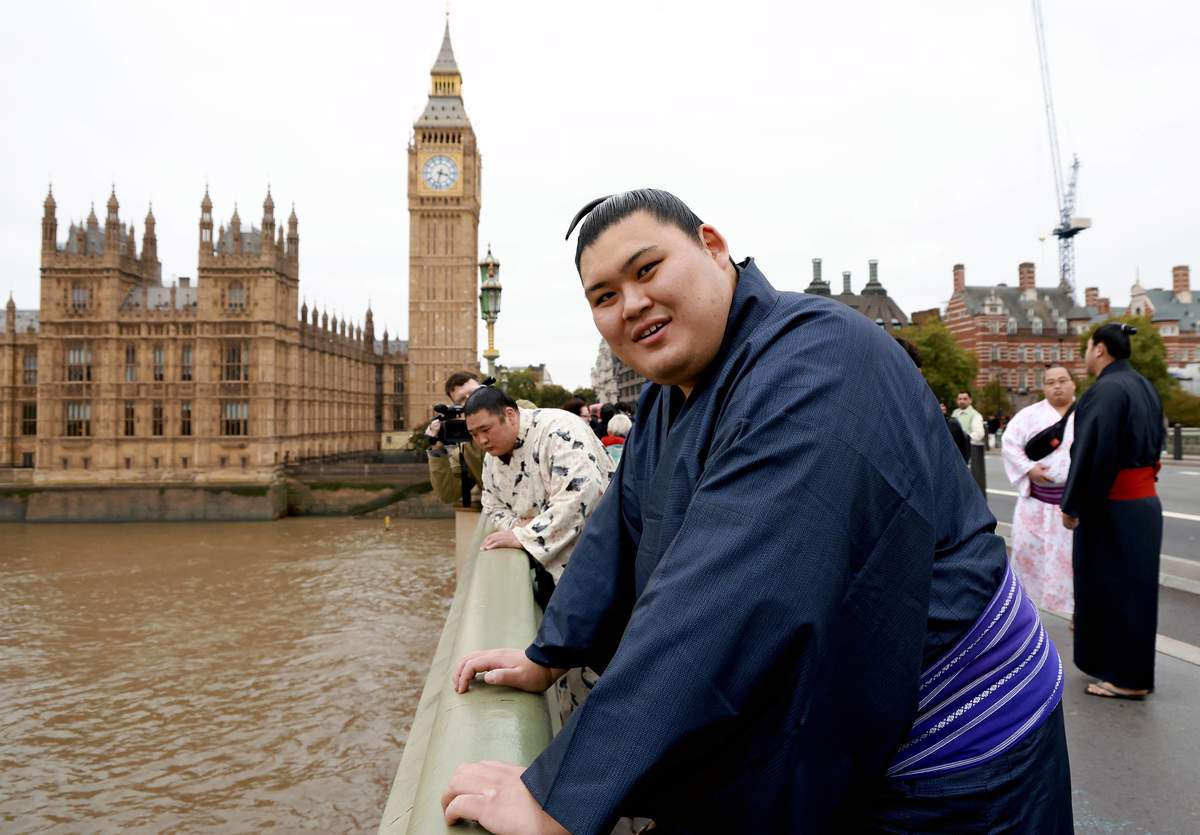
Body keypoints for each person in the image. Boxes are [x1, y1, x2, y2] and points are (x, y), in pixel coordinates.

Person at [442, 189, 1070, 834]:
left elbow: (722, 597)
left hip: (954, 749)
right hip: (856, 726)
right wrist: (550, 652)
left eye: (647, 269)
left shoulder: (817, 360)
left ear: (713, 248)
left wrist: (560, 799)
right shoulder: (666, 397)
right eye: (604, 297)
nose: (631, 303)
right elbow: (619, 535)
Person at [1061, 323, 1165, 701]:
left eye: (1088, 347)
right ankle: (1123, 670)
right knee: (1134, 590)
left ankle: (1127, 679)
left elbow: (1091, 452)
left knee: (1116, 591)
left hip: (1113, 505)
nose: (1086, 354)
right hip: (1143, 502)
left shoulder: (1106, 390)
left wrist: (1072, 503)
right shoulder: (1143, 385)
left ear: (1101, 349)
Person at [465, 385, 614, 583]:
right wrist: (518, 526)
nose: (481, 441)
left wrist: (527, 535)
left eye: (485, 430)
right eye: (473, 434)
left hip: (597, 562)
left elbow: (583, 493)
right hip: (547, 571)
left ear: (510, 415)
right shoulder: (493, 454)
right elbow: (491, 502)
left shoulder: (560, 428)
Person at [1002, 366, 1077, 615]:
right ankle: (1027, 613)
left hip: (1072, 504)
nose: (1057, 386)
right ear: (1043, 387)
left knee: (1074, 562)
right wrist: (1028, 468)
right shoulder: (1028, 415)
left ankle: (1078, 612)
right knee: (1029, 558)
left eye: (1062, 381)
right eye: (1051, 382)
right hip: (1035, 503)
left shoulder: (1087, 413)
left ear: (1073, 384)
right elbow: (1009, 444)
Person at [425, 371, 484, 507]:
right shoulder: (465, 450)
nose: (470, 400)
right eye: (462, 399)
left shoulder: (519, 410)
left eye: (474, 392)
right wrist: (437, 449)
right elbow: (448, 494)